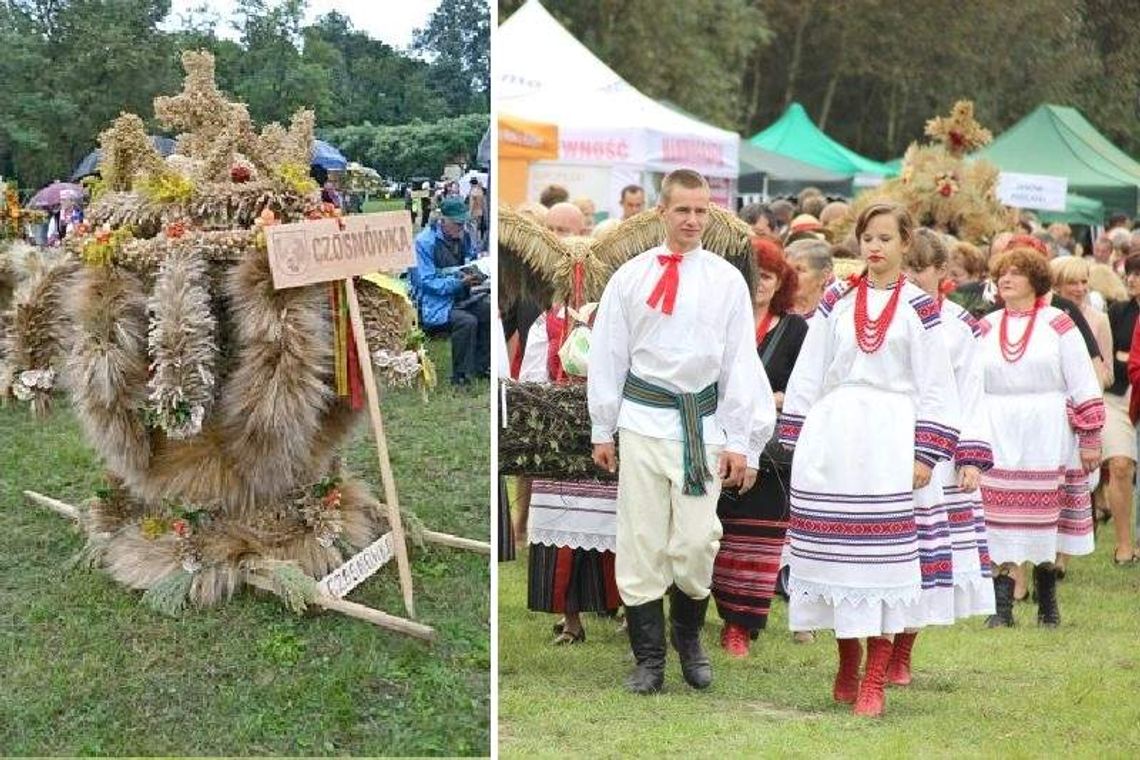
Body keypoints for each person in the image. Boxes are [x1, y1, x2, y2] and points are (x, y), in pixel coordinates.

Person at [588, 168, 776, 694]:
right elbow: (609, 354)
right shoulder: (630, 276)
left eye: (701, 210)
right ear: (661, 213)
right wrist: (603, 427)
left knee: (696, 542)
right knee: (642, 540)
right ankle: (649, 660)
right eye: (682, 210)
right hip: (643, 422)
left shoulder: (724, 280)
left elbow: (741, 361)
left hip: (703, 426)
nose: (692, 219)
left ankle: (688, 637)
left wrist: (742, 439)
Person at [779, 202, 961, 718]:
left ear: (906, 243)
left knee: (883, 563)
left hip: (891, 437)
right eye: (867, 238)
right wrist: (796, 437)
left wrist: (926, 453)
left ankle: (875, 677)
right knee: (834, 555)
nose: (875, 247)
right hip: (836, 434)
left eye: (885, 238)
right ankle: (846, 659)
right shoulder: (836, 299)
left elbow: (936, 386)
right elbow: (811, 371)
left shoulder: (922, 309)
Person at [978, 246, 1103, 627]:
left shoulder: (1058, 324)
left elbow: (1082, 378)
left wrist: (1090, 434)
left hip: (1047, 428)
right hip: (997, 424)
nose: (1006, 278)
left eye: (1016, 272)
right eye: (1002, 272)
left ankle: (1047, 603)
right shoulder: (986, 325)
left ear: (1035, 281)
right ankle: (1002, 608)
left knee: (1046, 516)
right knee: (997, 516)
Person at [894, 228, 995, 685]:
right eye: (906, 266)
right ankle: (875, 642)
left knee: (923, 553)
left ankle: (902, 650)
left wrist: (970, 456)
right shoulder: (884, 314)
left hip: (938, 449)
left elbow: (970, 393)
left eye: (919, 268)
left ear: (942, 272)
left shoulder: (958, 325)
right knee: (886, 547)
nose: (911, 276)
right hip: (885, 436)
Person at [712, 235, 807, 656]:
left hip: (771, 450)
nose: (761, 284)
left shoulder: (794, 328)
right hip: (717, 435)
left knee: (758, 541)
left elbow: (804, 386)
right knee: (714, 536)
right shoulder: (719, 321)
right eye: (754, 275)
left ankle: (740, 625)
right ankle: (701, 615)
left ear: (781, 282)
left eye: (769, 276)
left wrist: (777, 398)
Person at [414, 197, 489, 386]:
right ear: (442, 220)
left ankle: (482, 367)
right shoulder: (424, 242)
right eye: (457, 223)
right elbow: (426, 281)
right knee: (467, 321)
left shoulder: (465, 235)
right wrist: (457, 282)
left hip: (463, 295)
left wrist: (479, 270)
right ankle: (460, 376)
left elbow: (470, 260)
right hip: (434, 304)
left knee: (488, 310)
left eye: (463, 223)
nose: (461, 228)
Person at [1102, 254, 1140, 564]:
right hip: (1117, 398)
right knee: (1120, 465)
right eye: (1129, 273)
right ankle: (1124, 544)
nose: (1132, 279)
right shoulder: (1118, 311)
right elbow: (1109, 356)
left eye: (1138, 274)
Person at [785, 238, 834, 316]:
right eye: (787, 269)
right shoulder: (776, 305)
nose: (789, 276)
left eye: (799, 269)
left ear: (824, 276)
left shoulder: (838, 307)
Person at [468, 177, 486, 244]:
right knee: (478, 228)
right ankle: (478, 241)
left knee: (473, 228)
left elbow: (471, 203)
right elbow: (483, 203)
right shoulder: (480, 191)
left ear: (471, 183)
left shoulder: (472, 191)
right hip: (480, 212)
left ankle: (474, 242)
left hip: (474, 212)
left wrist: (469, 213)